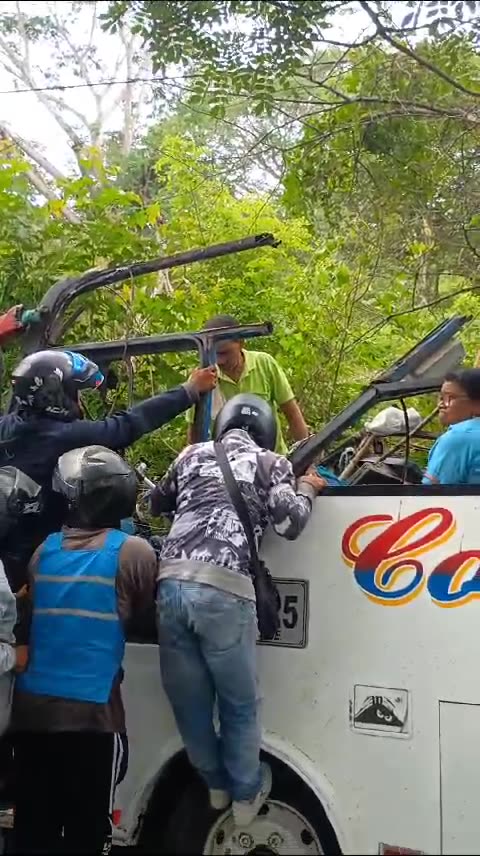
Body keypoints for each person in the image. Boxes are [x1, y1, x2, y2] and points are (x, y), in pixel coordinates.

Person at [150, 393, 325, 827]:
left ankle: (214, 784)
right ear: (267, 431)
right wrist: (307, 487)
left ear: (222, 424)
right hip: (225, 589)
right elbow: (289, 523)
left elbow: (154, 503)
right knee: (238, 704)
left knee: (189, 700)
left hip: (171, 583)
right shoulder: (271, 463)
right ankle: (246, 794)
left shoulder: (191, 455)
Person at [11, 445, 159, 855]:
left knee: (32, 834)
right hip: (93, 719)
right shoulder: (133, 552)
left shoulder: (44, 552)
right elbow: (147, 614)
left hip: (33, 716)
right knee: (87, 835)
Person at [0, 349, 215, 590]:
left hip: (11, 552)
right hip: (39, 558)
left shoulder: (7, 427)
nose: (79, 401)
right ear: (55, 396)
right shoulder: (62, 435)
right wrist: (188, 391)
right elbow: (127, 425)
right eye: (74, 393)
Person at [186, 314, 309, 453]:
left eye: (225, 353)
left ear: (241, 343)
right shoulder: (202, 378)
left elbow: (292, 414)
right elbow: (194, 436)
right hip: (229, 463)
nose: (220, 361)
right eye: (214, 354)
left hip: (273, 459)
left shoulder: (264, 364)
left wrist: (306, 457)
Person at [423, 369, 480, 485]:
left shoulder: (460, 437)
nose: (442, 404)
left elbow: (432, 491)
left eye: (451, 398)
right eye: (441, 397)